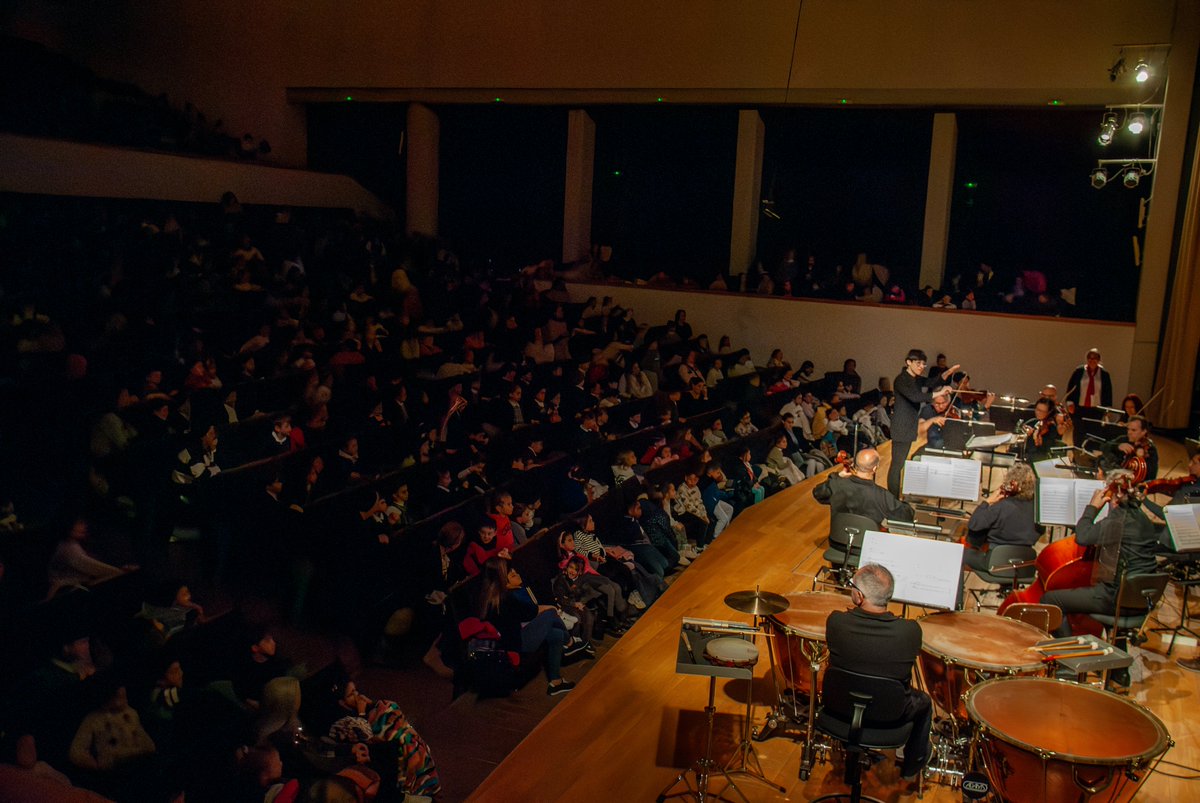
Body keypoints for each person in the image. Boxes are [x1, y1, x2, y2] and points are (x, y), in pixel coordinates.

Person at [1041, 470, 1173, 686]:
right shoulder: (1142, 519)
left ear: (1113, 495)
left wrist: (1093, 507)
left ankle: (1070, 664)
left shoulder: (1118, 521)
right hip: (1139, 599)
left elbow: (1083, 536)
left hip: (1115, 597)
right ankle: (1120, 674)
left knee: (1051, 600)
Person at [825, 564, 931, 781]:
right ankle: (912, 766)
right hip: (890, 713)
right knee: (925, 702)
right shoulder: (910, 632)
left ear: (859, 595)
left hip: (839, 706)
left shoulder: (836, 622)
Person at [477, 557, 580, 695]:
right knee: (550, 614)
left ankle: (555, 682)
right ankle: (570, 642)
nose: (516, 573)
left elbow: (528, 614)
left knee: (556, 634)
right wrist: (552, 608)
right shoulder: (506, 599)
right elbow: (532, 612)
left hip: (515, 638)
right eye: (511, 573)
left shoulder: (490, 597)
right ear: (503, 579)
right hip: (517, 645)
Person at [888, 349, 958, 496]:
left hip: (907, 427)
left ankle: (895, 497)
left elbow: (932, 381)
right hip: (901, 427)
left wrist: (947, 373)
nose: (921, 366)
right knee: (896, 466)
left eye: (923, 364)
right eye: (918, 363)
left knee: (899, 465)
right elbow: (916, 397)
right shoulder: (901, 379)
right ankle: (893, 499)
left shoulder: (915, 379)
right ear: (909, 362)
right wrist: (939, 393)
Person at [960, 463, 1042, 572]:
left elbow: (974, 524)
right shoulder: (1038, 510)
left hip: (995, 564)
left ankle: (958, 589)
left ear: (1012, 484)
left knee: (958, 553)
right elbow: (1040, 531)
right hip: (1024, 566)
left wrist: (987, 502)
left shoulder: (1002, 507)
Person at [812, 448, 913, 531]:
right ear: (874, 469)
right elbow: (907, 516)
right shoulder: (882, 495)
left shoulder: (837, 484)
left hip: (838, 542)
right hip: (867, 545)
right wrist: (907, 501)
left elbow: (817, 493)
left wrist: (838, 475)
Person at [1099, 415, 1158, 482]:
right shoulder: (1124, 439)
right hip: (1116, 480)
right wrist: (1117, 446)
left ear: (1143, 431)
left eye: (1133, 430)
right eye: (1128, 429)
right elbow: (1103, 446)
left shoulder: (1150, 449)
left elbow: (1151, 476)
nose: (1129, 432)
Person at [1065, 348, 1113, 412]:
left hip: (1097, 409)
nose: (1092, 360)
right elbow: (1071, 388)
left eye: (1095, 358)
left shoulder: (1104, 374)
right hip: (1079, 408)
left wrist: (1108, 408)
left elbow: (1108, 392)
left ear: (1099, 360)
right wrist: (1069, 403)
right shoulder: (1079, 371)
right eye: (1090, 358)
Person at [1020, 396, 1065, 464]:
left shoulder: (1053, 428)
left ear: (1049, 412)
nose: (1038, 413)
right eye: (1037, 409)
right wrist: (1025, 433)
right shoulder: (1032, 422)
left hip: (1045, 461)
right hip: (1028, 458)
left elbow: (1049, 449)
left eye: (1042, 411)